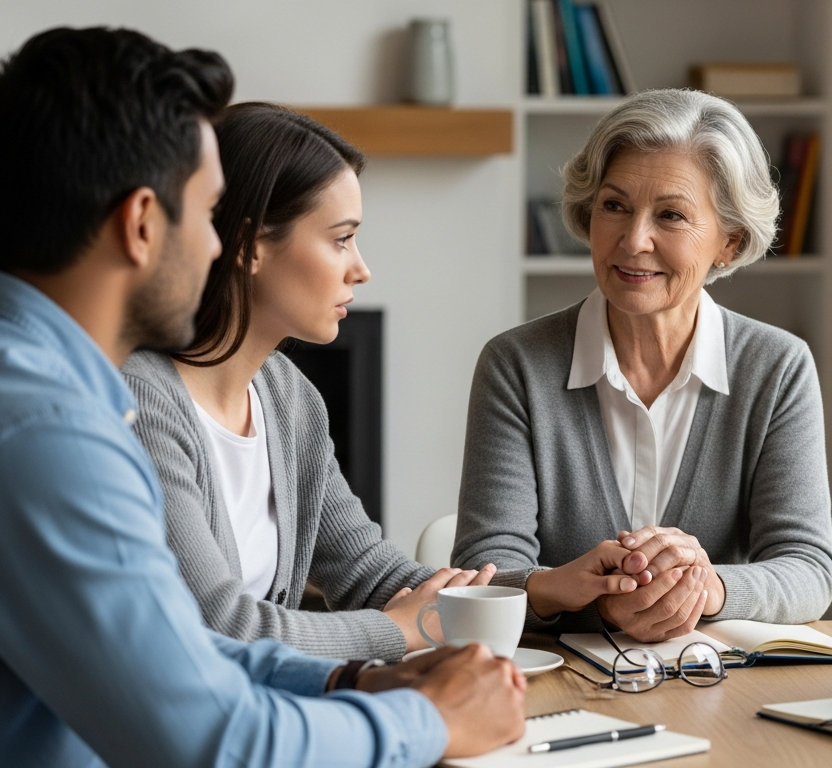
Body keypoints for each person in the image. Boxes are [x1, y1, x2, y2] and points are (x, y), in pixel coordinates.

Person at [0, 26, 524, 766]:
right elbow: (215, 738)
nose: (216, 246)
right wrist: (427, 721)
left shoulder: (58, 396)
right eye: (208, 213)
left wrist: (358, 678)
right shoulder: (49, 431)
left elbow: (185, 658)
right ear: (142, 223)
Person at [454, 89, 832, 642]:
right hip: (556, 683)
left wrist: (709, 590)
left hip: (714, 686)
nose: (634, 241)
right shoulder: (516, 365)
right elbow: (487, 569)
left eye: (671, 215)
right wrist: (604, 606)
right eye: (614, 206)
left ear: (728, 241)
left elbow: (808, 566)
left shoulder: (777, 368)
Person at [122, 102, 491, 662]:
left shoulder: (289, 398)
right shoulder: (140, 400)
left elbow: (371, 575)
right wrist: (401, 632)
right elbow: (221, 628)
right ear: (249, 246)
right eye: (341, 239)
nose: (361, 268)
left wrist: (547, 592)